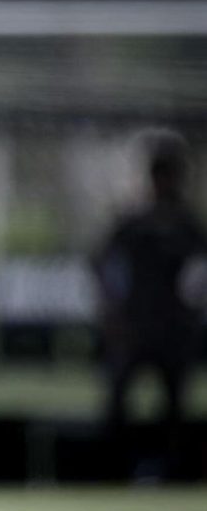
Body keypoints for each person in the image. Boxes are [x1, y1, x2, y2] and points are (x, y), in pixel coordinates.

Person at [93, 131, 207, 479]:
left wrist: (194, 308)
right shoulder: (135, 223)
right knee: (118, 402)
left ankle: (172, 471)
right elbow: (101, 263)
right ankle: (112, 471)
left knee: (173, 406)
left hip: (172, 328)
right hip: (135, 326)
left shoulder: (186, 224)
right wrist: (112, 308)